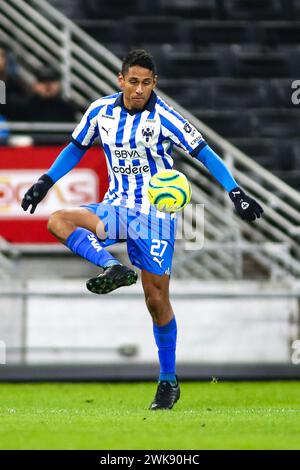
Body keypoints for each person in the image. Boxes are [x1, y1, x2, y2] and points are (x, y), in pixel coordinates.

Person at [21, 49, 263, 410]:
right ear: (120, 80)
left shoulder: (166, 117)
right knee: (59, 220)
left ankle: (168, 381)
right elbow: (76, 147)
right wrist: (44, 182)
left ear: (154, 84)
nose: (138, 89)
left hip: (155, 219)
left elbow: (205, 152)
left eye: (146, 83)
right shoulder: (100, 111)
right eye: (132, 81)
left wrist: (236, 192)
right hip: (116, 208)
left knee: (156, 300)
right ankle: (111, 267)